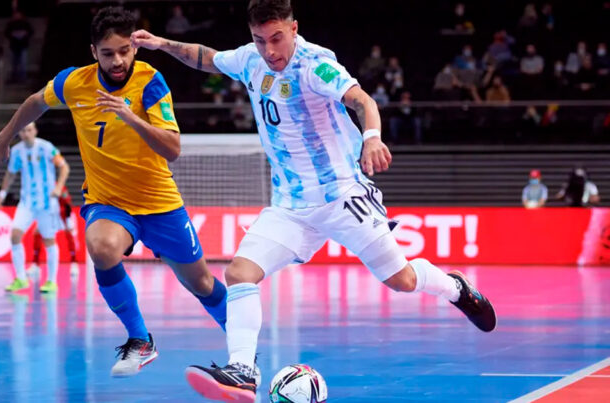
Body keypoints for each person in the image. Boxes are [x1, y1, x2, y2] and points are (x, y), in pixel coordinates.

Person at [132, 0, 497, 400]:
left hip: (342, 195)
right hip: (290, 205)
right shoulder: (251, 59)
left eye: (276, 38)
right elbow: (208, 58)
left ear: (293, 28)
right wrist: (161, 43)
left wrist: (372, 138)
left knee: (402, 280)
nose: (269, 50)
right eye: (259, 40)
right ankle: (242, 370)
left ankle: (456, 289)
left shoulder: (315, 65)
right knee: (239, 274)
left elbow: (363, 102)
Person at [0, 7, 229, 378]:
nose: (118, 61)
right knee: (100, 248)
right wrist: (3, 139)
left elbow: (173, 149)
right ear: (93, 52)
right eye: (108, 53)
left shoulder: (150, 82)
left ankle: (243, 345)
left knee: (202, 284)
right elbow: (36, 101)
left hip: (159, 204)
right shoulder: (74, 83)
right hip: (109, 202)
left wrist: (130, 116)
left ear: (135, 47)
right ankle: (140, 340)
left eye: (124, 51)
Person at [0, 122, 70, 294]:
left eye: (29, 130)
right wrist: (2, 195)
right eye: (22, 130)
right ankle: (21, 279)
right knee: (15, 236)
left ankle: (51, 281)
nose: (26, 133)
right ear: (19, 133)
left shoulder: (46, 147)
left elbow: (64, 167)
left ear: (35, 131)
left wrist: (58, 187)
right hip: (27, 202)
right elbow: (11, 174)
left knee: (49, 240)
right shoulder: (17, 151)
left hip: (46, 203)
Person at [29, 189, 80, 278]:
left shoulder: (60, 187)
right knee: (37, 233)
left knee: (70, 234)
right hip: (49, 216)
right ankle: (35, 265)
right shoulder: (41, 187)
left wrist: (67, 221)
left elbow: (67, 203)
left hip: (63, 215)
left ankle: (74, 263)